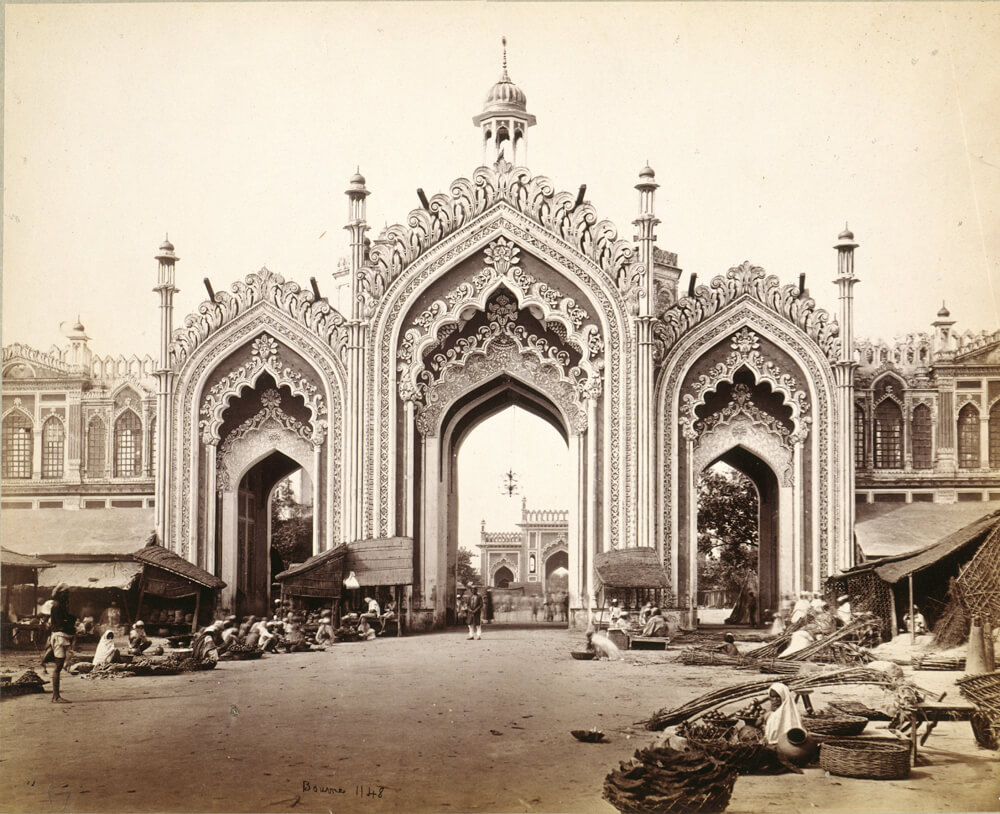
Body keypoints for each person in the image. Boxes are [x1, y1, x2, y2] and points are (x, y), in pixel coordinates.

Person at [47, 584, 76, 703]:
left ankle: (56, 696)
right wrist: (71, 624)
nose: (67, 595)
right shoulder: (57, 606)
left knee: (59, 666)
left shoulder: (60, 605)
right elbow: (61, 624)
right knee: (58, 667)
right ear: (61, 594)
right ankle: (55, 696)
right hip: (59, 637)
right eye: (66, 593)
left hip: (61, 636)